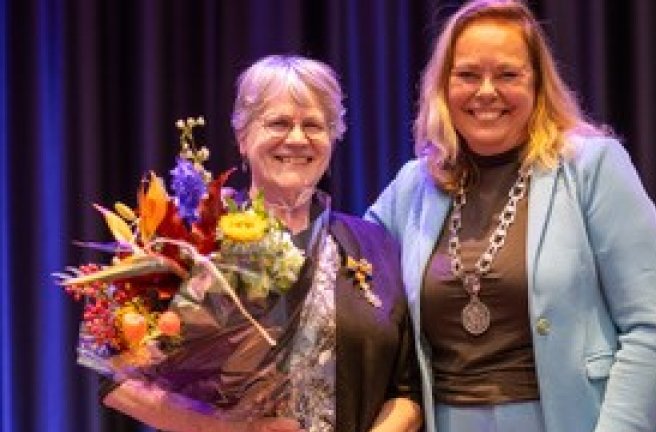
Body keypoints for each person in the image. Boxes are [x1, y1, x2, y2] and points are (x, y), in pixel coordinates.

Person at [365, 1, 656, 431]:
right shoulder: (412, 187)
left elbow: (650, 327)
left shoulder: (592, 167)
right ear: (442, 86)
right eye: (468, 75)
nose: (486, 91)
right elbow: (347, 270)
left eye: (508, 74)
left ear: (538, 84)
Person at [102, 55, 422, 432]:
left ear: (333, 140)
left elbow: (407, 389)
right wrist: (229, 429)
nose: (298, 138)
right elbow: (112, 375)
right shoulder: (189, 241)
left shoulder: (374, 244)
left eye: (314, 125)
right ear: (242, 137)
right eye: (279, 123)